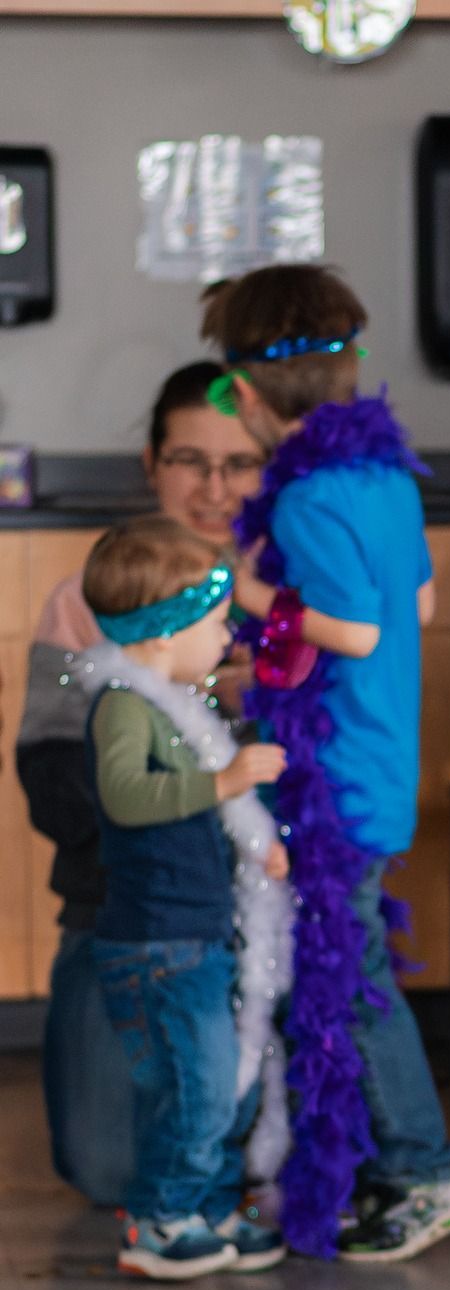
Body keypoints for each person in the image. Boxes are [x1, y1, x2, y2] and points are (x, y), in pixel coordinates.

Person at [199, 264, 450, 1262]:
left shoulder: (309, 495)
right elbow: (421, 607)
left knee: (353, 973)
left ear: (241, 392)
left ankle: (424, 1170)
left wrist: (250, 597)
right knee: (345, 961)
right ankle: (383, 1163)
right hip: (381, 755)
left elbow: (356, 629)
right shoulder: (386, 479)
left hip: (336, 777)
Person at [14, 361, 264, 1207]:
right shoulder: (84, 607)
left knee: (269, 1150)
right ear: (152, 466)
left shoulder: (286, 601)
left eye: (239, 462)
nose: (215, 486)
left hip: (261, 912)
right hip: (126, 916)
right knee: (111, 1170)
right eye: (191, 460)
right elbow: (49, 774)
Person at [82, 517, 291, 1280]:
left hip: (200, 931)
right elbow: (128, 795)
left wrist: (257, 840)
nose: (229, 634)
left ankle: (202, 1204)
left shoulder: (178, 701)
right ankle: (161, 1218)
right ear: (166, 633)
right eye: (215, 622)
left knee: (224, 1082)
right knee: (195, 1089)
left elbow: (216, 806)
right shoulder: (123, 706)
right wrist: (227, 780)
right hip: (156, 942)